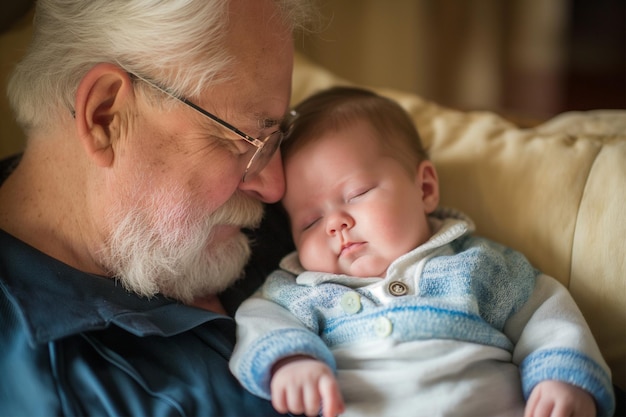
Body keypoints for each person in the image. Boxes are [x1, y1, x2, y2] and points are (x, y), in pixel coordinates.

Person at [0, 0, 314, 415]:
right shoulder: (39, 383)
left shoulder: (303, 211)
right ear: (106, 115)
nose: (276, 186)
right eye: (245, 141)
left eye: (277, 136)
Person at [229, 87, 616, 417]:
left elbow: (546, 316)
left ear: (425, 189)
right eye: (309, 222)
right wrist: (290, 361)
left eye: (357, 194)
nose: (335, 224)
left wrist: (562, 376)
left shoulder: (476, 265)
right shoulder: (300, 290)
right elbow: (261, 320)